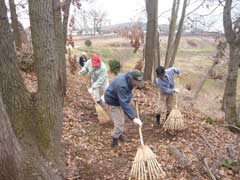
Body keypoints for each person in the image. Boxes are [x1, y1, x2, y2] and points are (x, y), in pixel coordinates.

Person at [104, 70, 144, 148]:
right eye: (136, 83)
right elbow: (124, 103)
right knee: (119, 124)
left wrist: (131, 97)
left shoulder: (129, 78)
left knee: (122, 119)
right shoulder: (122, 85)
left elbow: (128, 92)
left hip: (119, 98)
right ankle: (114, 142)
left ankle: (119, 135)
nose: (136, 85)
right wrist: (133, 118)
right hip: (112, 100)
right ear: (132, 79)